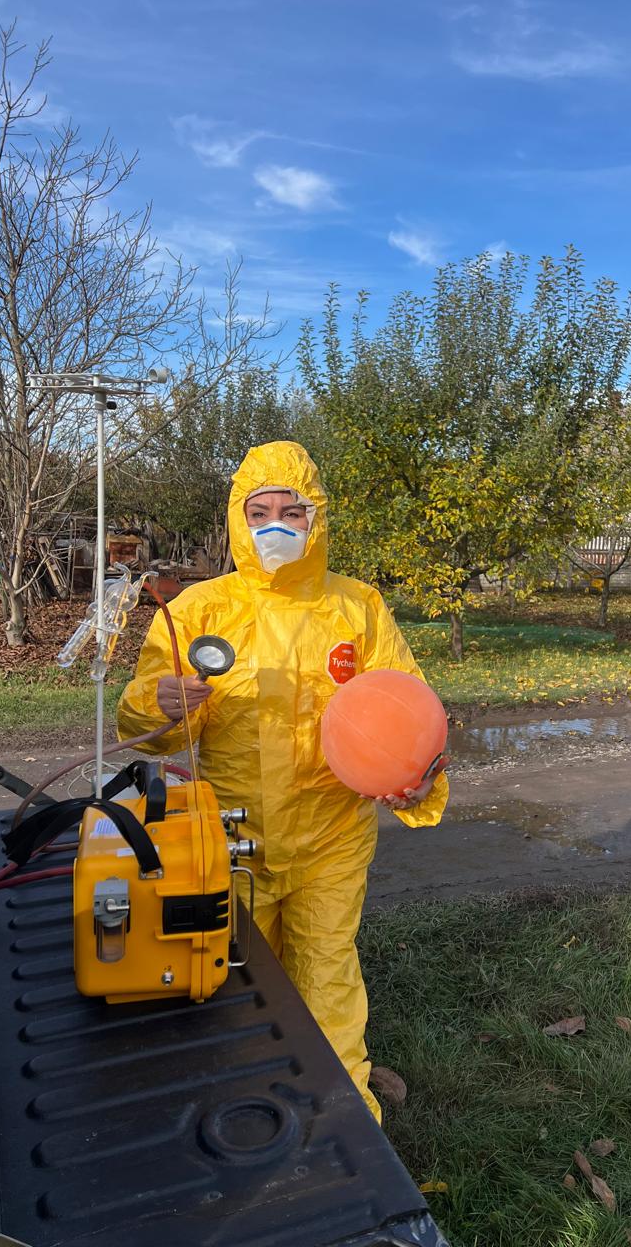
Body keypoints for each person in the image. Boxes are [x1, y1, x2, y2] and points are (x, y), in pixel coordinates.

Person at [117, 441, 449, 1121]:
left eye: (291, 512)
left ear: (315, 517)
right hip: (230, 840)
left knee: (327, 979)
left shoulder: (356, 607)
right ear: (237, 520)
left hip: (332, 837)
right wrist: (162, 704)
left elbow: (406, 707)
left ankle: (347, 1125)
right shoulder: (200, 610)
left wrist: (418, 777)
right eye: (259, 511)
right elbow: (146, 724)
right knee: (237, 984)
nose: (276, 525)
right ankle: (248, 1121)